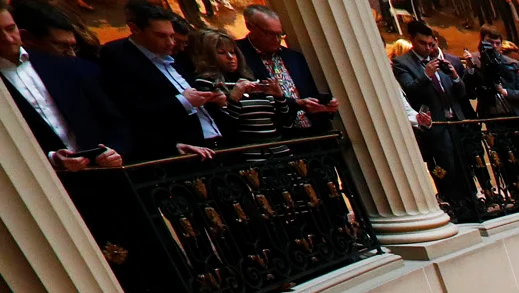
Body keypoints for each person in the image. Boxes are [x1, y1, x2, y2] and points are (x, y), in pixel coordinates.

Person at [1, 3, 128, 168]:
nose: (8, 38)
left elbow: (113, 120)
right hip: (44, 179)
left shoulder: (61, 64)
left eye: (11, 29)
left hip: (101, 169)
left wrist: (116, 149)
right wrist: (52, 158)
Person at [97, 2, 223, 159]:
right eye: (161, 36)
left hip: (211, 141)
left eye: (171, 35)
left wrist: (212, 98)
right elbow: (132, 111)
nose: (170, 42)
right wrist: (183, 101)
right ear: (135, 29)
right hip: (174, 151)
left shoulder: (173, 54)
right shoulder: (118, 55)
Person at [234, 5, 331, 131]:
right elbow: (252, 98)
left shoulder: (294, 57)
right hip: (274, 135)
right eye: (269, 33)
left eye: (279, 34)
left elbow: (308, 94)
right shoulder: (237, 54)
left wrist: (326, 104)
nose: (276, 40)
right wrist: (296, 104)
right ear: (250, 26)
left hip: (311, 132)